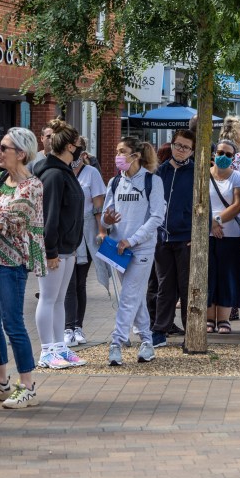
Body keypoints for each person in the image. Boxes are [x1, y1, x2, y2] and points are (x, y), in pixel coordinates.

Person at [0, 127, 46, 408]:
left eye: (4, 148)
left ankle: (26, 385)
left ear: (22, 154)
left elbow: (12, 222)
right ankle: (0, 382)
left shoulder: (33, 186)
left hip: (13, 262)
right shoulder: (1, 179)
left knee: (12, 323)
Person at [102, 137, 165, 365]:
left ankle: (116, 343)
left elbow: (157, 217)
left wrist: (133, 239)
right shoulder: (114, 182)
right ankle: (147, 341)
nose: (117, 156)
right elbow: (106, 216)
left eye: (122, 151)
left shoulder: (152, 182)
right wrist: (107, 221)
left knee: (129, 296)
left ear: (136, 156)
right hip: (118, 249)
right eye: (117, 151)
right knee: (135, 296)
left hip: (142, 248)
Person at [33, 119, 86, 369]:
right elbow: (50, 215)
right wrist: (51, 250)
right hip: (55, 250)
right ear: (69, 147)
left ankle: (59, 347)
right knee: (48, 297)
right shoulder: (54, 174)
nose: (79, 148)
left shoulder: (63, 172)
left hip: (67, 249)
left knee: (58, 298)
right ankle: (46, 350)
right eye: (77, 144)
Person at [152, 129, 196, 347]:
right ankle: (161, 329)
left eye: (186, 147)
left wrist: (198, 235)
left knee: (187, 286)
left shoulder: (197, 172)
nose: (181, 151)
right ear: (172, 145)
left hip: (186, 237)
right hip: (162, 238)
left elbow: (203, 206)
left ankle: (191, 331)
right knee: (164, 286)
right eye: (178, 145)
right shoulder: (160, 172)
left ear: (192, 150)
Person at [66, 135, 106, 347]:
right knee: (68, 283)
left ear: (83, 153)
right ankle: (67, 327)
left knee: (79, 282)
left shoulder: (91, 173)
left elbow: (99, 204)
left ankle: (77, 326)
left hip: (87, 230)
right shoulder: (62, 171)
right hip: (66, 231)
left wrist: (101, 230)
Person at [207, 138, 240, 334]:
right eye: (221, 152)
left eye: (229, 155)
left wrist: (216, 221)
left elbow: (236, 205)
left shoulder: (238, 177)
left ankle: (223, 319)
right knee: (208, 276)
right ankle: (208, 319)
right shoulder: (202, 175)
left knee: (227, 276)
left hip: (231, 234)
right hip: (206, 233)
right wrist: (210, 224)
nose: (223, 157)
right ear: (213, 153)